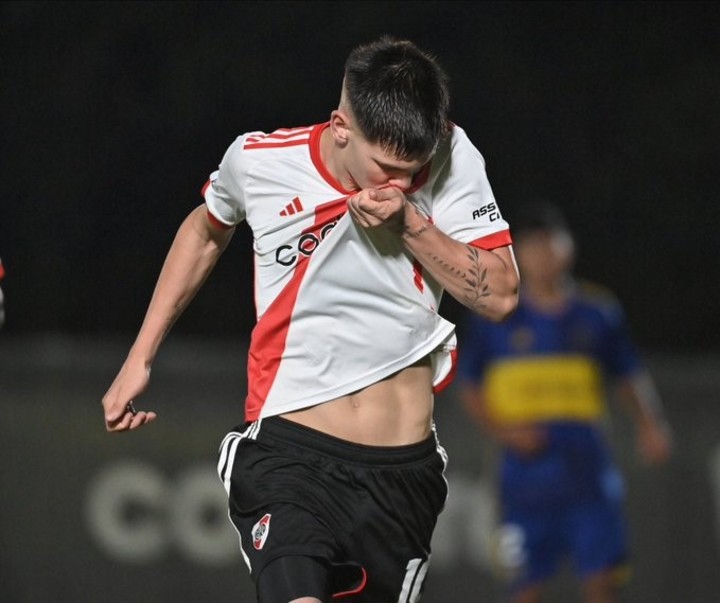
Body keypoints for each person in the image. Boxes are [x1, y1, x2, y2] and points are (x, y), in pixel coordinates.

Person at [102, 36, 519, 602]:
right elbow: (204, 231)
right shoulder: (260, 163)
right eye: (386, 168)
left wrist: (411, 224)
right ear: (341, 126)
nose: (398, 185)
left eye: (410, 171)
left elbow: (498, 296)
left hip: (402, 477)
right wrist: (140, 356)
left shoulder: (450, 154)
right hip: (290, 456)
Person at [457, 201, 672, 603]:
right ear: (518, 251)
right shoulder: (497, 316)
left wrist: (649, 424)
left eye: (551, 243)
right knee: (524, 587)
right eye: (534, 245)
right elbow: (469, 386)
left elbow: (628, 375)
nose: (544, 254)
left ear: (568, 247)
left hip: (586, 475)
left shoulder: (597, 312)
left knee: (602, 581)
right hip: (524, 481)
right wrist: (506, 432)